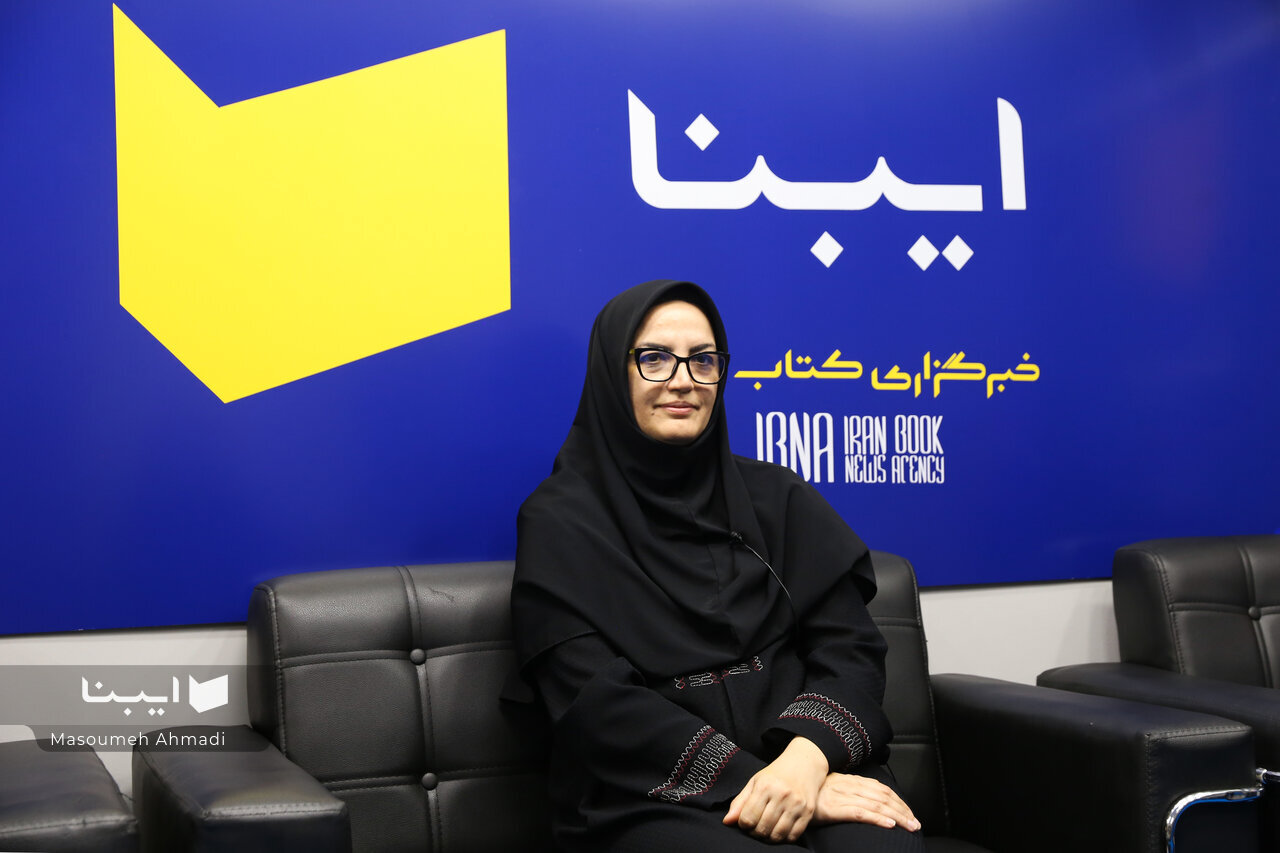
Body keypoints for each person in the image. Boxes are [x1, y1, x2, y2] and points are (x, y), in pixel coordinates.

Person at [508, 280, 922, 852]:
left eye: (703, 360)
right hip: (655, 792)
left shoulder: (778, 498)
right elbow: (596, 703)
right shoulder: (561, 522)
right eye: (655, 358)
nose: (683, 379)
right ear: (611, 373)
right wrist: (760, 782)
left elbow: (850, 650)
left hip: (809, 759)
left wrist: (804, 763)